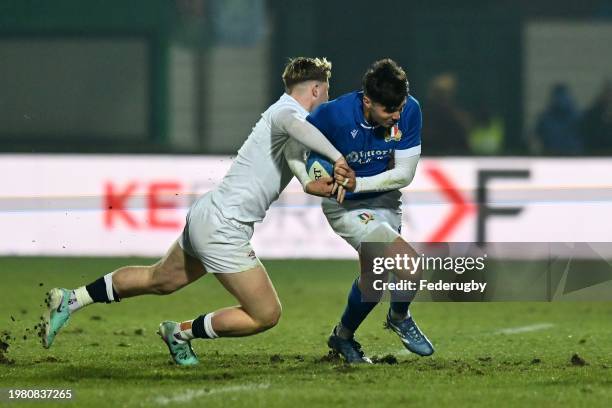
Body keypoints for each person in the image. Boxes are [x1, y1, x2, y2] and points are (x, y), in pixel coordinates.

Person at [41, 57, 349, 366]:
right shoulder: (287, 112)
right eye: (326, 92)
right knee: (265, 314)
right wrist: (336, 157)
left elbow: (295, 153)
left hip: (210, 213)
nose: (328, 100)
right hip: (225, 227)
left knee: (161, 279)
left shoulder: (284, 117)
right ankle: (180, 333)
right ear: (316, 88)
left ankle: (73, 298)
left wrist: (309, 184)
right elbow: (296, 128)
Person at [284, 59, 434, 364]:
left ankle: (342, 337)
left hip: (385, 200)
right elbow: (292, 146)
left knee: (373, 281)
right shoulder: (333, 114)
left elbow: (404, 174)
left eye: (400, 108)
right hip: (345, 206)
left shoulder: (410, 110)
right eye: (388, 111)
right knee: (410, 266)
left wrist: (358, 182)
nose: (396, 117)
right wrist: (307, 180)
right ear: (367, 100)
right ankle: (400, 316)